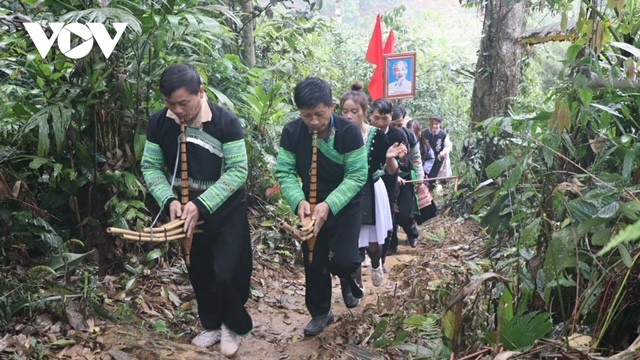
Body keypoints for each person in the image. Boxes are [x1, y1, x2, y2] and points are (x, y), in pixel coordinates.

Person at [140, 64, 252, 357]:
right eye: (170, 104)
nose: (177, 110)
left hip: (225, 207)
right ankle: (212, 323)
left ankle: (233, 325)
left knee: (226, 271)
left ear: (200, 93)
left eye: (184, 103)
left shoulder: (226, 122)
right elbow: (150, 166)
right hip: (183, 208)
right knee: (198, 268)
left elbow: (239, 170)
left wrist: (202, 205)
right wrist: (170, 201)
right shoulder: (158, 123)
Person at [275, 77, 368, 336]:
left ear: (332, 106)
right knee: (314, 258)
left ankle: (349, 276)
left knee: (345, 258)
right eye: (307, 116)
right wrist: (298, 200)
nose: (313, 122)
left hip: (345, 202)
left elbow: (357, 176)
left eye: (319, 114)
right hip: (310, 204)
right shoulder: (292, 132)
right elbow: (284, 172)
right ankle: (321, 312)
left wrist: (330, 204)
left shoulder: (349, 132)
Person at [339, 83, 407, 291]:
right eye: (345, 112)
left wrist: (389, 158)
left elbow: (390, 169)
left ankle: (377, 264)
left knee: (373, 244)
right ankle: (357, 285)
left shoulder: (376, 136)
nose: (349, 116)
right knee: (353, 242)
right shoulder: (337, 135)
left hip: (372, 191)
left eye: (354, 111)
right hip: (347, 191)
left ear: (363, 113)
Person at [368, 99, 412, 271]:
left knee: (388, 222)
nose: (379, 123)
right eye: (376, 118)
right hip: (367, 183)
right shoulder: (365, 133)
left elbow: (406, 163)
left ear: (391, 117)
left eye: (384, 119)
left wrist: (398, 161)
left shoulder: (398, 135)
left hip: (389, 184)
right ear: (370, 115)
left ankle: (382, 259)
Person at [389, 106, 424, 249]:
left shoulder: (410, 135)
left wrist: (419, 179)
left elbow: (416, 158)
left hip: (407, 180)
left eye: (400, 124)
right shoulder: (382, 135)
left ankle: (412, 233)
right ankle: (391, 244)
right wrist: (394, 177)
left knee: (405, 213)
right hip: (389, 180)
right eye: (394, 125)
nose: (397, 128)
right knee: (389, 214)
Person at [407, 118, 438, 224]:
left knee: (422, 203)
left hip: (420, 178)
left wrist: (423, 170)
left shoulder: (424, 146)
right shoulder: (405, 144)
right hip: (408, 177)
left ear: (419, 133)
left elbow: (431, 158)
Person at [423, 115, 453, 187]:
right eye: (432, 123)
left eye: (436, 124)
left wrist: (443, 153)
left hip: (437, 159)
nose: (434, 126)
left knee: (433, 178)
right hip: (425, 159)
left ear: (440, 124)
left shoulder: (443, 135)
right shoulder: (424, 132)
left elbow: (448, 146)